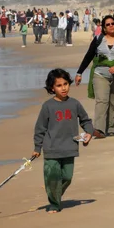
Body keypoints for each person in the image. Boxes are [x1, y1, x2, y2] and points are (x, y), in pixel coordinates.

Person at [32, 69, 93, 213]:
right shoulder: (47, 106)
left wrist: (89, 133)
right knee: (52, 177)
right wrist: (37, 147)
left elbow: (86, 121)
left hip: (69, 148)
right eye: (59, 85)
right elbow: (40, 128)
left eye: (65, 84)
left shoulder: (75, 104)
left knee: (67, 177)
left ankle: (55, 195)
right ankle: (54, 203)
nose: (63, 88)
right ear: (52, 88)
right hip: (51, 148)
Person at [75, 15, 114, 138]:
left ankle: (110, 127)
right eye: (108, 24)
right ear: (104, 28)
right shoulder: (98, 39)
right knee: (102, 101)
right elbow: (89, 56)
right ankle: (100, 130)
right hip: (100, 74)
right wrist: (79, 73)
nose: (111, 26)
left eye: (113, 23)